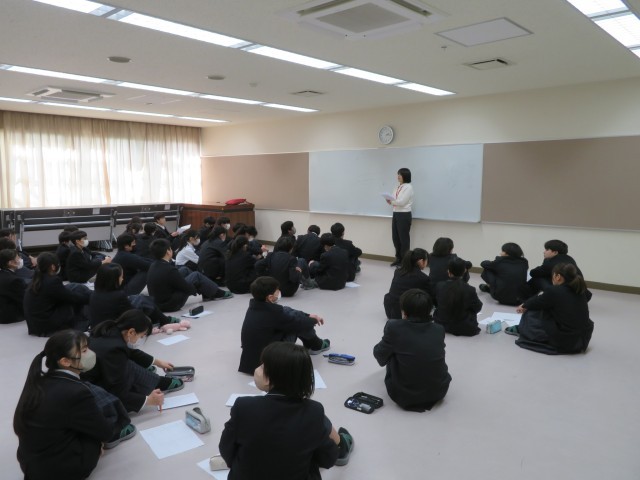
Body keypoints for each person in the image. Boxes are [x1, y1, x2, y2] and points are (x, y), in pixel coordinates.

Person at [221, 342, 354, 479]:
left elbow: (226, 449)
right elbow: (328, 459)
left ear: (271, 377)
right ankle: (343, 443)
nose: (258, 369)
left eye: (262, 366)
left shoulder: (243, 407)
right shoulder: (314, 412)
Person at [14, 330, 132, 480]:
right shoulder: (77, 391)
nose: (91, 353)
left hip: (31, 464)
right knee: (99, 430)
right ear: (65, 361)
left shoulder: (40, 381)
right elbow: (106, 432)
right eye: (84, 350)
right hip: (60, 471)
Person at [84, 310, 183, 412]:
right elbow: (118, 391)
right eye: (141, 336)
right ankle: (155, 383)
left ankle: (155, 382)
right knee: (129, 368)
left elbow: (130, 352)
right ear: (131, 332)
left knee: (129, 366)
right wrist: (147, 400)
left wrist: (157, 362)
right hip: (94, 391)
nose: (140, 339)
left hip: (94, 378)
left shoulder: (110, 330)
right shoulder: (114, 350)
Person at [373, 289, 451, 412]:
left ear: (404, 312)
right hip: (439, 391)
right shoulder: (439, 329)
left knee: (392, 350)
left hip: (405, 396)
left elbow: (380, 354)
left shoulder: (394, 327)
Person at [238, 277, 329, 374]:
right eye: (277, 291)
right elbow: (299, 323)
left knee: (287, 310)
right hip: (269, 365)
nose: (279, 292)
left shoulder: (254, 306)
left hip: (250, 363)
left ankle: (314, 344)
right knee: (298, 325)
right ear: (270, 297)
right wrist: (314, 320)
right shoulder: (274, 313)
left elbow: (285, 313)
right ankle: (316, 345)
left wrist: (308, 315)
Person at [507, 263, 595, 355]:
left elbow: (535, 302)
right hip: (581, 340)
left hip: (566, 341)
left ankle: (522, 328)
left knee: (531, 312)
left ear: (558, 277)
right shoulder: (580, 290)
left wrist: (524, 306)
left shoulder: (555, 291)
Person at [146, 239, 232, 312]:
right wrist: (195, 288)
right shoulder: (169, 269)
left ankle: (208, 291)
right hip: (170, 305)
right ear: (168, 251)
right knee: (196, 276)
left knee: (184, 269)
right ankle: (217, 292)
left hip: (159, 302)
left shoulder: (154, 265)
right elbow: (185, 287)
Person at [89, 263, 178, 330]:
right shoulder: (118, 296)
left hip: (98, 327)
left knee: (140, 299)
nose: (122, 279)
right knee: (144, 301)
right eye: (121, 277)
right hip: (113, 328)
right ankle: (164, 320)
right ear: (114, 279)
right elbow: (132, 314)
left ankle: (163, 320)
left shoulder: (94, 294)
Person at [23, 252, 91, 336]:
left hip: (35, 324)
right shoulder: (52, 281)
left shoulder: (36, 278)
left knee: (75, 287)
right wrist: (90, 298)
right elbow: (71, 297)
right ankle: (84, 323)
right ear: (53, 266)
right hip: (47, 325)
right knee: (77, 299)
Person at [433, 258, 482, 336]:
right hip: (463, 326)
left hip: (441, 323)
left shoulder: (439, 285)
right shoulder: (469, 289)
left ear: (448, 271)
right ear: (464, 271)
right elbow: (478, 307)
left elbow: (436, 303)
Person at [383, 248, 430, 319]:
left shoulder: (398, 271)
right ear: (421, 261)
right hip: (404, 314)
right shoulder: (423, 278)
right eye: (426, 260)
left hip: (389, 310)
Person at [428, 237, 471, 303]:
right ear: (450, 249)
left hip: (433, 291)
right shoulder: (453, 257)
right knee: (463, 268)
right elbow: (468, 264)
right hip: (449, 292)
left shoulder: (430, 256)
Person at [387, 168, 414, 267]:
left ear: (405, 176)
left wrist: (392, 202)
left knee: (404, 239)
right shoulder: (397, 187)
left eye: (400, 174)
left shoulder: (408, 187)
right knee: (395, 238)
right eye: (398, 174)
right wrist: (390, 200)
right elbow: (394, 199)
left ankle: (405, 262)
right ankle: (398, 258)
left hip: (404, 214)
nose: (398, 176)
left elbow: (402, 202)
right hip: (396, 213)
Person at [0, 248, 26, 324]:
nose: (20, 259)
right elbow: (23, 300)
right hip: (12, 316)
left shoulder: (4, 275)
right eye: (18, 257)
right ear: (11, 262)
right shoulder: (14, 280)